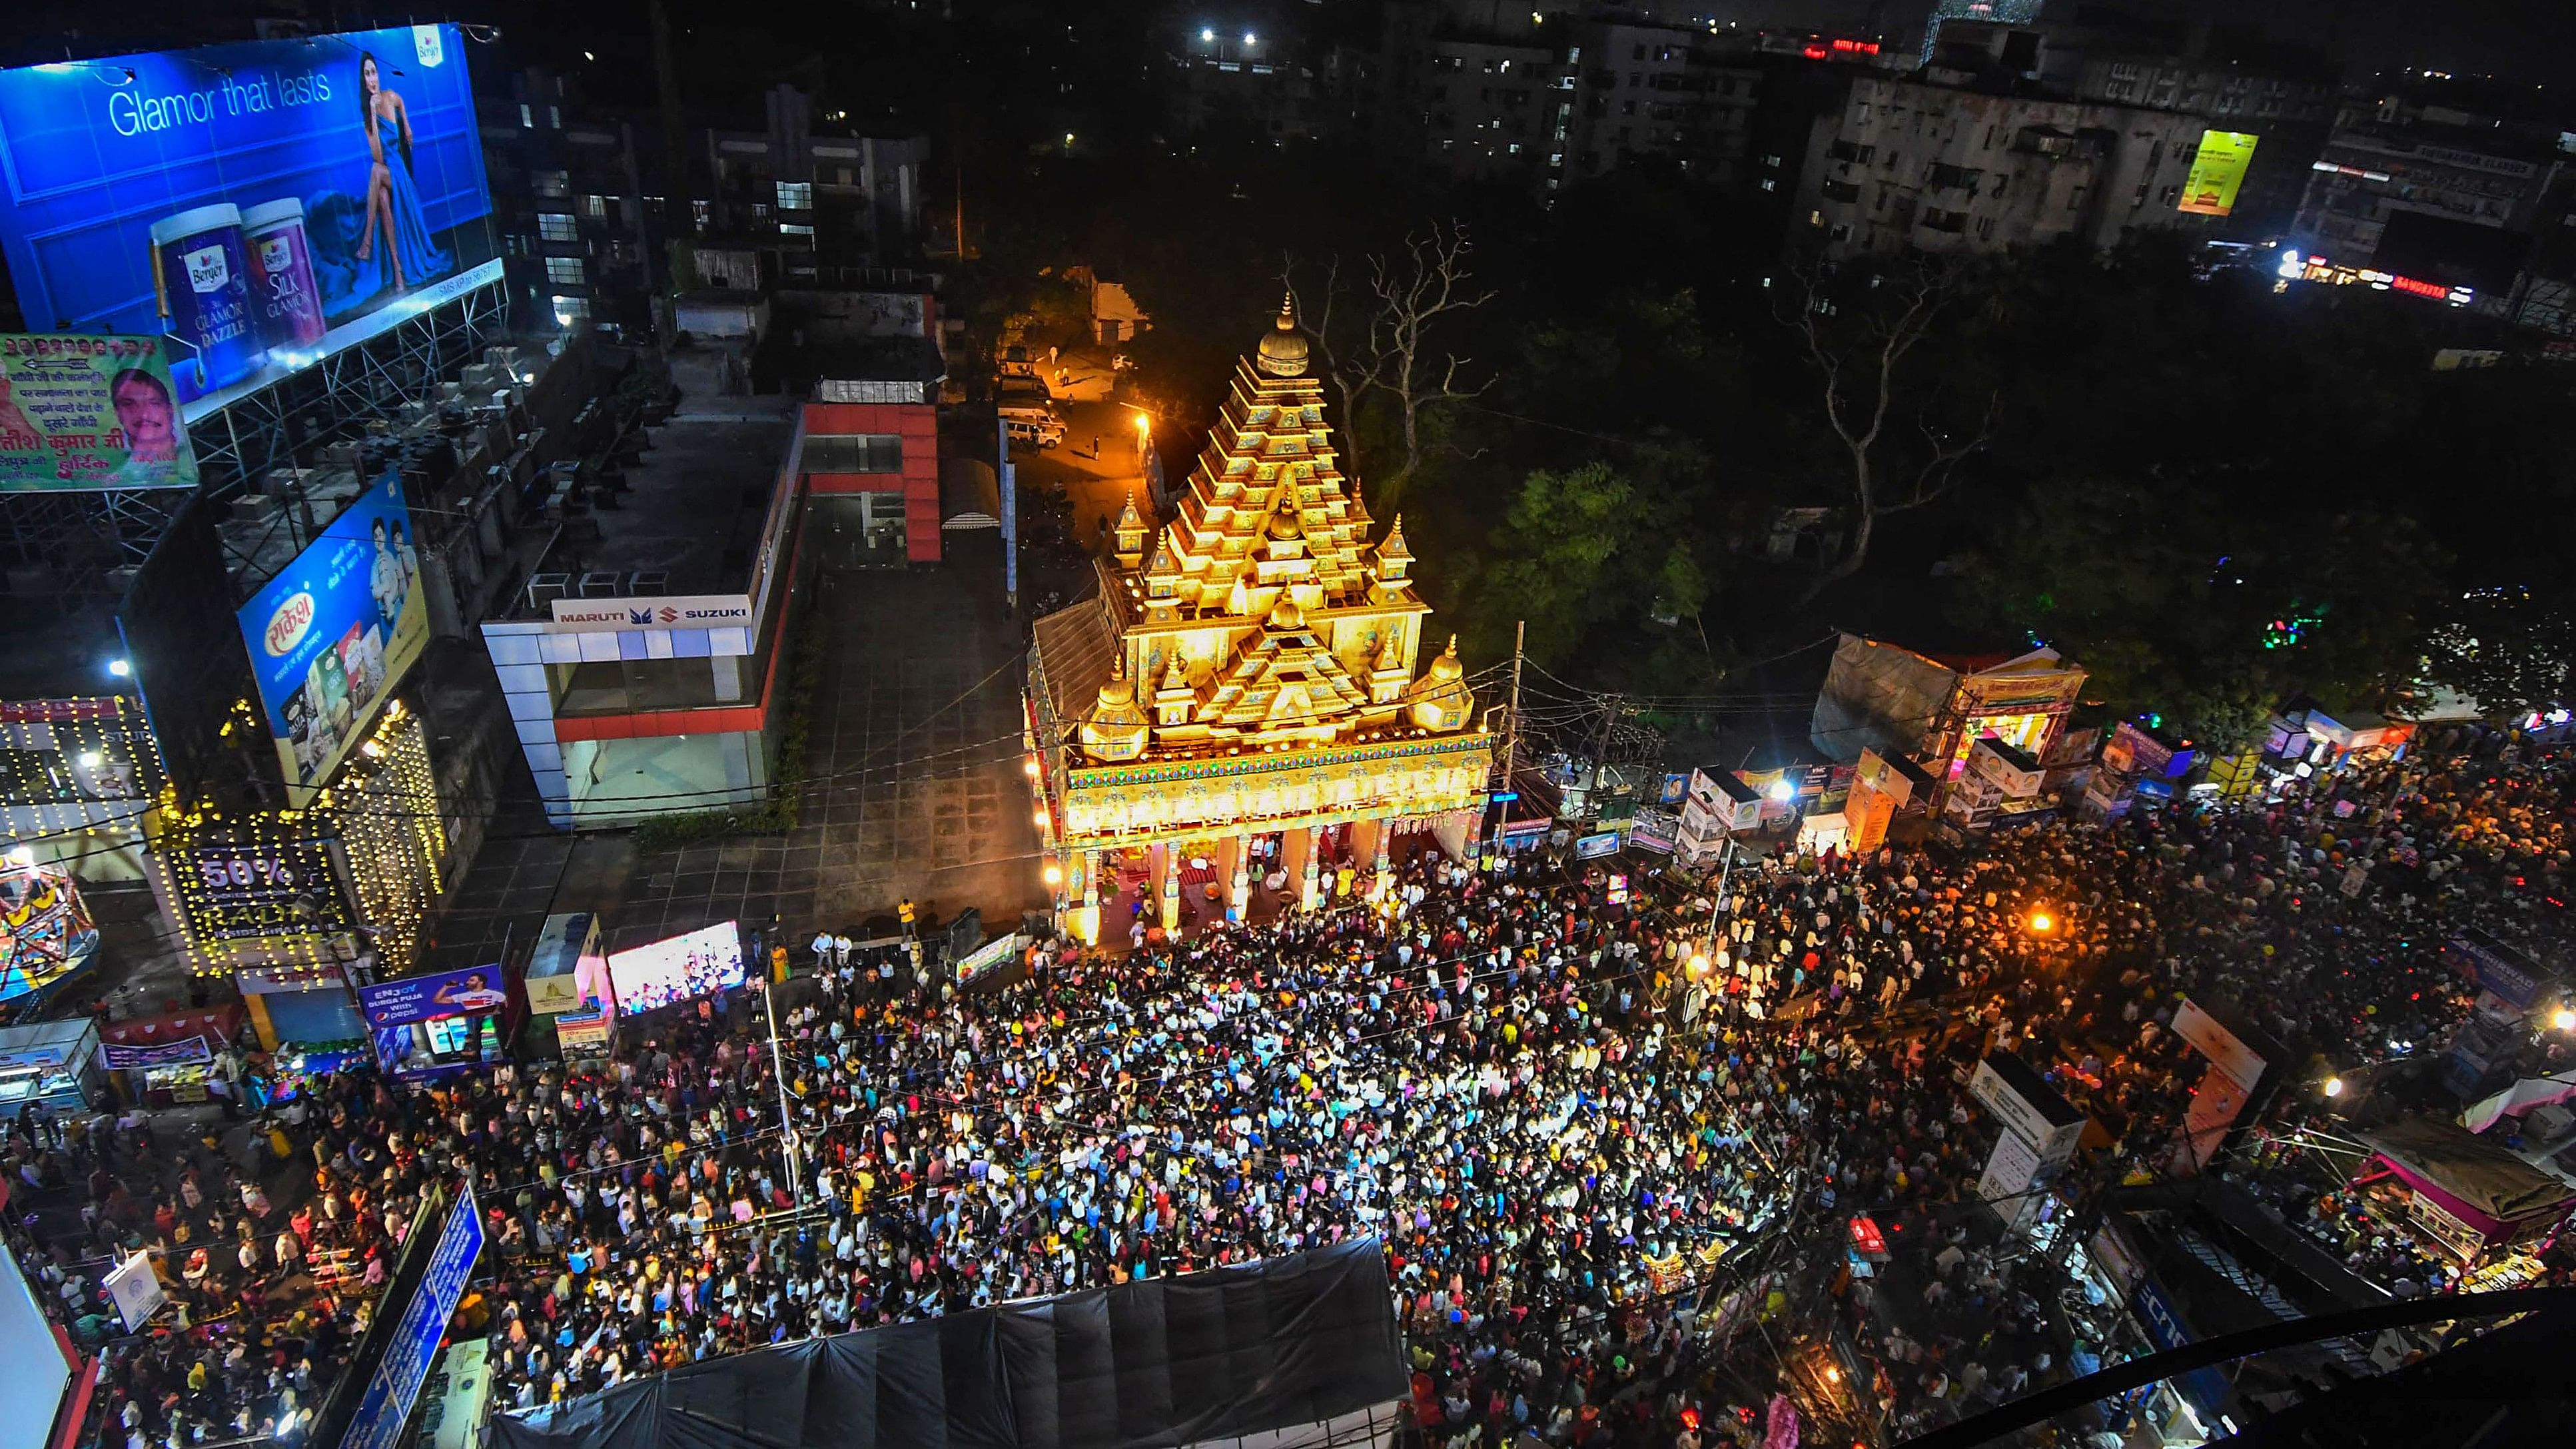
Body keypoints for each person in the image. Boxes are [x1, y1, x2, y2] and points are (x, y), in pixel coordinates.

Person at [352, 51, 452, 292]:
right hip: (385, 169)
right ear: (363, 81)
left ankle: (366, 242)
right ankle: (397, 270)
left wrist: (406, 124)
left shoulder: (391, 97)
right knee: (383, 198)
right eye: (367, 74)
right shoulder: (367, 117)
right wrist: (374, 117)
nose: (372, 78)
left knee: (375, 173)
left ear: (378, 74)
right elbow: (377, 155)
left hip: (398, 171)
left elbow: (402, 104)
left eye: (374, 72)